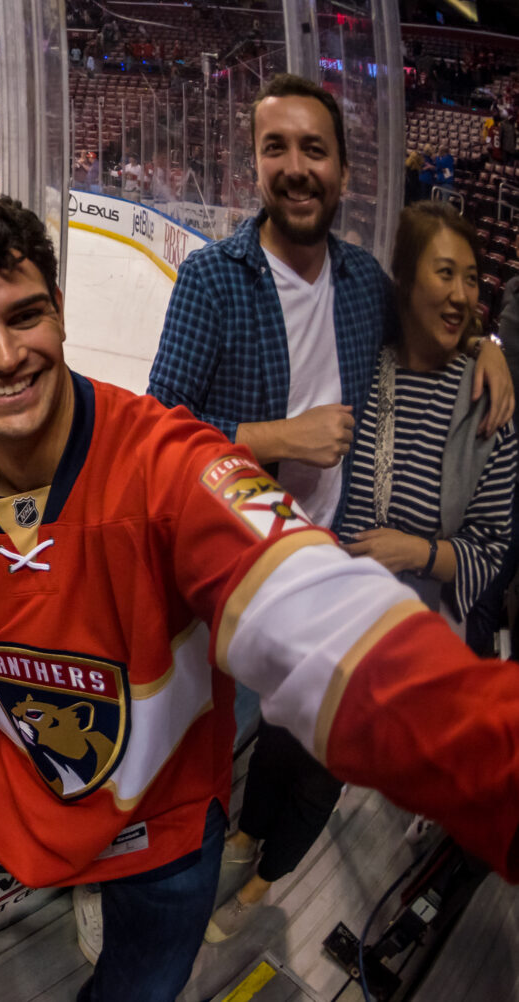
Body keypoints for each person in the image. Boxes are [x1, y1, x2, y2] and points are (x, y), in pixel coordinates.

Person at [0, 188, 519, 1002]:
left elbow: (326, 620)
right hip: (17, 802)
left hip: (164, 833)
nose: (5, 354)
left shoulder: (181, 468)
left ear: (60, 308)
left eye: (24, 316)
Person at [148, 74, 514, 945]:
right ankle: (161, 873)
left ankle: (246, 873)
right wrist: (277, 435)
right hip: (229, 568)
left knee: (307, 754)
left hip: (330, 574)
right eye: (277, 148)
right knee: (205, 749)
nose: (295, 167)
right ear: (257, 165)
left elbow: (444, 313)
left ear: (343, 173)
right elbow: (157, 432)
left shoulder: (358, 284)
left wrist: (496, 345)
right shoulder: (213, 280)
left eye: (314, 149)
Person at [338, 202, 516, 637]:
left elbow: (488, 552)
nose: (462, 294)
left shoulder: (485, 403)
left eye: (472, 278)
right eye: (445, 272)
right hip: (330, 619)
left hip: (414, 639)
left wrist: (416, 553)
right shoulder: (359, 365)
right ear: (405, 280)